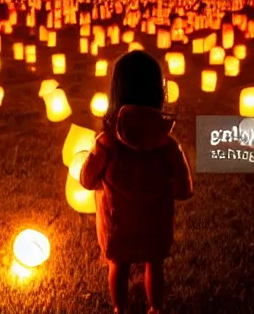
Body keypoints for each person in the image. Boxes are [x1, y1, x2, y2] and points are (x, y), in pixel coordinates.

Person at [80, 50, 194, 314]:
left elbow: (86, 181)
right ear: (158, 91)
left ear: (115, 92)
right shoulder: (167, 145)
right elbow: (184, 189)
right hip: (155, 226)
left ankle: (121, 309)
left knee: (118, 266)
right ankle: (155, 308)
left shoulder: (106, 144)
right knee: (154, 263)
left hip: (117, 226)